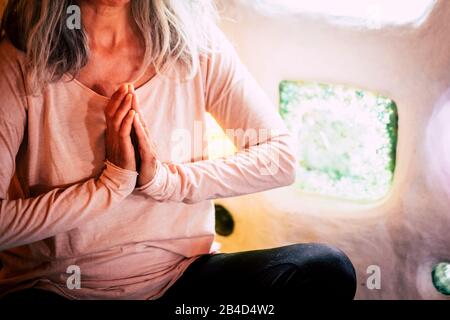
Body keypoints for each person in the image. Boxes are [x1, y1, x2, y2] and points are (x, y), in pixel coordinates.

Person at [0, 0, 356, 301]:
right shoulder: (17, 61)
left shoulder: (195, 45)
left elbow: (280, 158)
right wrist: (109, 186)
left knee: (326, 269)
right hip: (56, 288)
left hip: (182, 284)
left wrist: (164, 180)